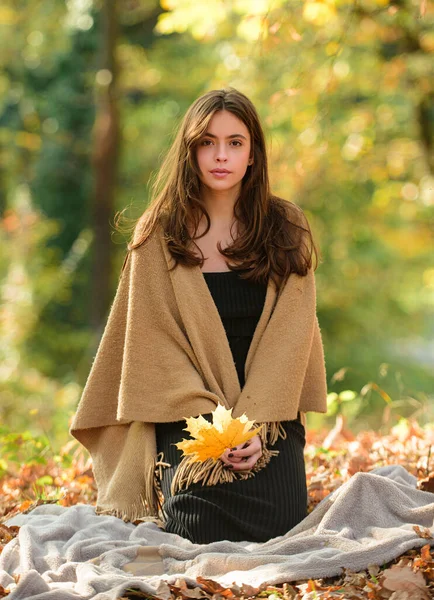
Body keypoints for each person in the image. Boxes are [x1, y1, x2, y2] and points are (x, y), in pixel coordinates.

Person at [70, 87, 328, 545]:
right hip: (188, 416)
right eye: (207, 142)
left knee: (281, 525)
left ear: (253, 154)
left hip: (268, 417)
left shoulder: (287, 227)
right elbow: (154, 347)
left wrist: (249, 424)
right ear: (190, 152)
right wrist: (215, 426)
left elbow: (292, 340)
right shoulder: (159, 232)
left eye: (235, 142)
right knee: (196, 528)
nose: (221, 155)